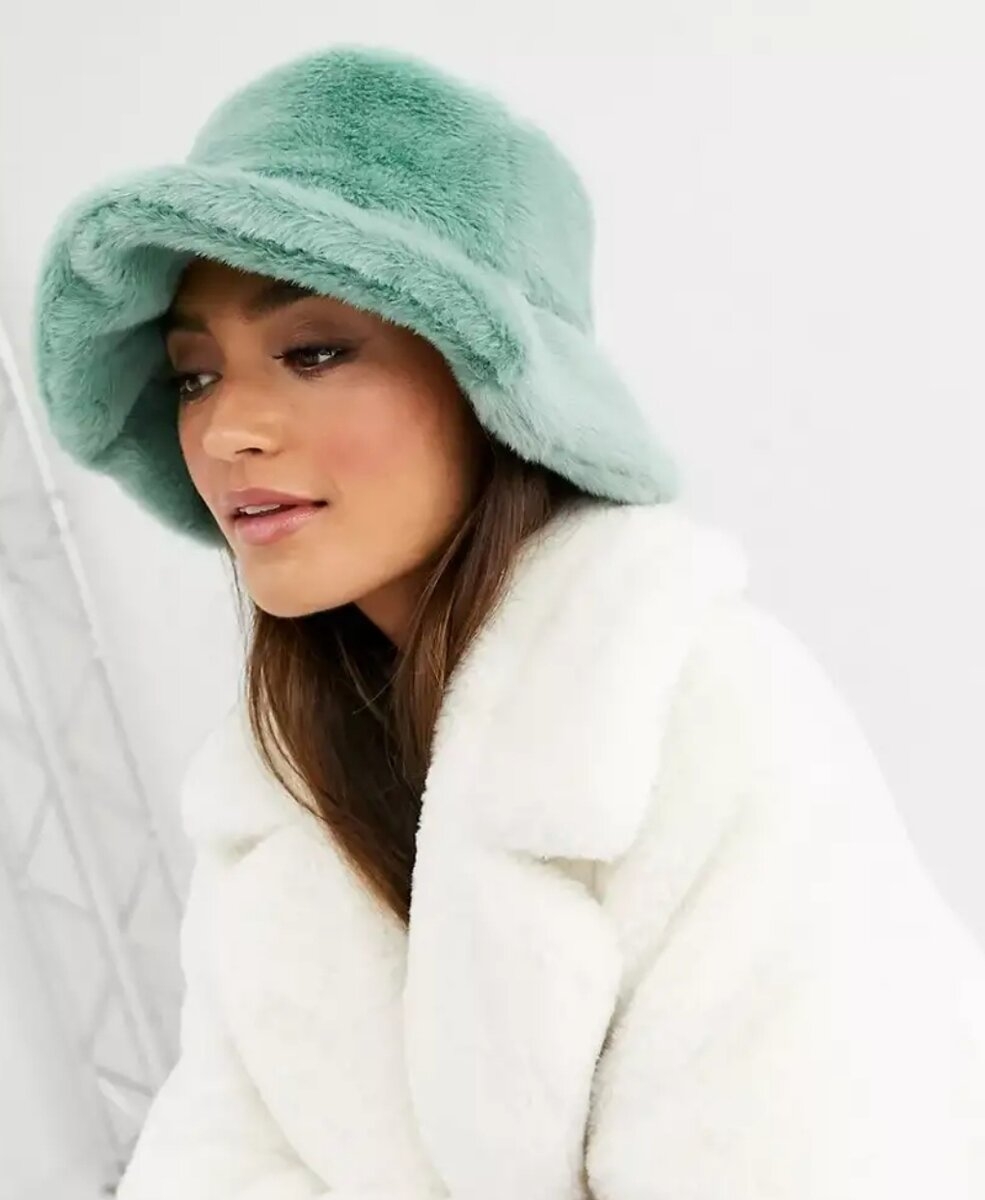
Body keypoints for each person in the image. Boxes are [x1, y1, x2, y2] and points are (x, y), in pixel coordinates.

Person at [30, 42, 985, 1200]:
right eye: (194, 375)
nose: (228, 428)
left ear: (490, 384)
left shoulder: (707, 715)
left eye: (313, 350)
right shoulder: (274, 795)